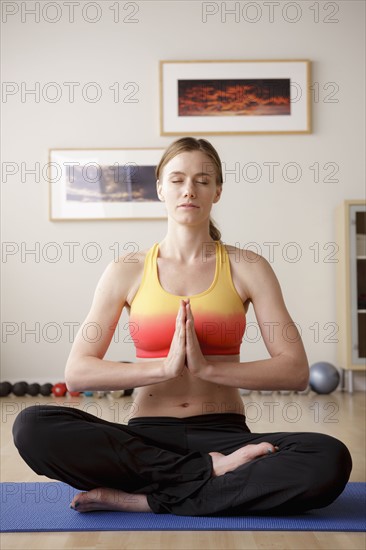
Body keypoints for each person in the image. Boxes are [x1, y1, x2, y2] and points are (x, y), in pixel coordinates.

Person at [13, 137, 352, 516]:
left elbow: (294, 370)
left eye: (202, 180)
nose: (189, 189)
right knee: (32, 426)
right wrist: (164, 368)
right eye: (177, 180)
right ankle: (208, 474)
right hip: (146, 441)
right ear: (160, 188)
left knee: (328, 457)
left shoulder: (248, 267)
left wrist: (209, 368)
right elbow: (77, 373)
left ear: (217, 191)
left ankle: (144, 499)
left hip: (226, 435)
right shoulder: (126, 270)